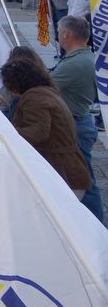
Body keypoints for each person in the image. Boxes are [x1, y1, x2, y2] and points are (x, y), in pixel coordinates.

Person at [0, 47, 91, 198]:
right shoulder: (44, 91)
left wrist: (4, 133)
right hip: (65, 171)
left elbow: (38, 132)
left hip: (63, 174)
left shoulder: (35, 98)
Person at [51, 16, 104, 222]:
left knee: (83, 180)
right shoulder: (80, 58)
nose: (57, 33)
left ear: (66, 34)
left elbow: (46, 84)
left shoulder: (76, 63)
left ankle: (97, 227)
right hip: (77, 123)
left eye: (58, 29)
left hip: (75, 126)